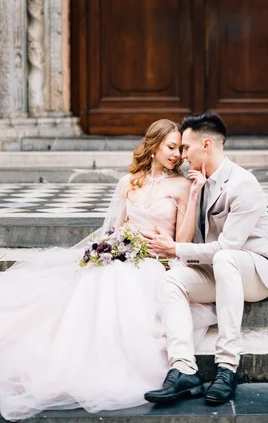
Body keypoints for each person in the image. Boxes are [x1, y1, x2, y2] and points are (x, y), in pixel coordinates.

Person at [0, 119, 215, 421]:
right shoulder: (129, 183)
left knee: (124, 282)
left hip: (156, 264)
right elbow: (115, 230)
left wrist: (194, 195)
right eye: (171, 147)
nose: (177, 154)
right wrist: (107, 251)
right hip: (124, 256)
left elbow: (181, 241)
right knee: (101, 275)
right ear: (153, 146)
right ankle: (79, 361)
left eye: (180, 148)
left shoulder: (182, 186)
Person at [142, 113, 268, 406]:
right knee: (174, 279)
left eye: (186, 148)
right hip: (220, 270)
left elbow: (227, 246)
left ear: (206, 144)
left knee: (226, 257)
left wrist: (175, 250)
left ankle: (227, 366)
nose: (181, 155)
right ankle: (183, 369)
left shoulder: (243, 183)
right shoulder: (199, 182)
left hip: (255, 273)